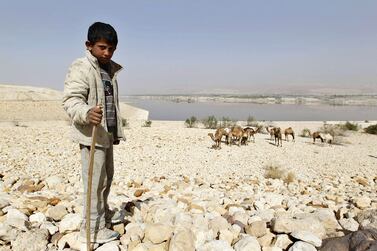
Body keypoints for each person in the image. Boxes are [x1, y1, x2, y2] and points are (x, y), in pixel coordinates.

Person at [62, 21, 125, 244]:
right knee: (94, 182)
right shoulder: (82, 67)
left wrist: (115, 132)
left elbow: (110, 104)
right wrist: (86, 112)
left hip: (105, 134)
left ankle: (102, 215)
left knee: (107, 178)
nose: (107, 52)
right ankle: (91, 228)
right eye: (102, 47)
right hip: (91, 135)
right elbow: (71, 100)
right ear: (88, 45)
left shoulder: (109, 69)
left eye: (111, 48)